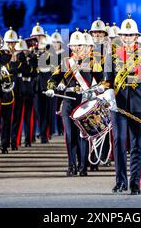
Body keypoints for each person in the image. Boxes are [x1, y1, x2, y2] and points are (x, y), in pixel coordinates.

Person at [103, 15, 141, 195]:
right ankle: (120, 181)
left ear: (136, 36)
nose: (126, 38)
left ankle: (135, 182)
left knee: (136, 143)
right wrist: (108, 92)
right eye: (124, 35)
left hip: (138, 101)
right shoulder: (113, 54)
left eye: (130, 35)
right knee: (118, 141)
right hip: (117, 102)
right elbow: (107, 79)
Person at [46, 29, 104, 177]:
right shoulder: (66, 61)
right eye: (74, 45)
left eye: (80, 45)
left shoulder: (93, 62)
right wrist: (52, 88)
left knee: (83, 135)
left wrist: (96, 91)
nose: (77, 48)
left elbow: (103, 81)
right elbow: (53, 78)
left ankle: (83, 165)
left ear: (85, 46)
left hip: (85, 100)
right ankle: (72, 165)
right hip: (68, 100)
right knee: (70, 135)